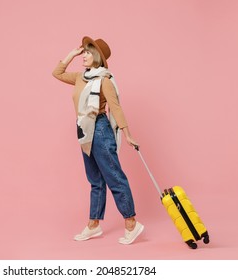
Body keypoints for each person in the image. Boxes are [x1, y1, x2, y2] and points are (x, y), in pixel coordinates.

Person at [52, 36, 144, 245]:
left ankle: (131, 222)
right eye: (83, 52)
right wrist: (71, 54)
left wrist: (127, 134)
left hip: (100, 129)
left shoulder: (104, 80)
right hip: (84, 130)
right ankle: (94, 225)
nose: (83, 55)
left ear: (96, 57)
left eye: (86, 52)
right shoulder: (80, 77)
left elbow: (116, 107)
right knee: (95, 180)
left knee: (114, 177)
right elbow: (56, 73)